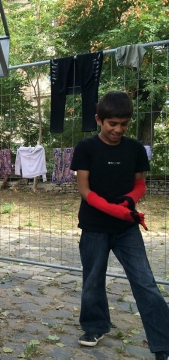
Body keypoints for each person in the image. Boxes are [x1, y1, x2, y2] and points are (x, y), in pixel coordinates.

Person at [70, 91, 169, 360]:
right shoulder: (86, 148)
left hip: (127, 228)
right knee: (93, 280)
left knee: (145, 282)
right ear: (99, 120)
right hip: (94, 227)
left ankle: (163, 344)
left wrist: (129, 200)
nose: (118, 129)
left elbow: (139, 184)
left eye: (124, 124)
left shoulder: (135, 148)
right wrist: (115, 210)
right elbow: (84, 190)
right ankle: (95, 327)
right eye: (112, 123)